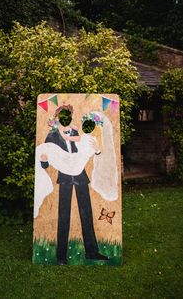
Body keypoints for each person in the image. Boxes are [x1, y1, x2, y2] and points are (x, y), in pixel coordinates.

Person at [40, 104, 109, 265]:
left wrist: (97, 149)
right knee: (63, 216)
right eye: (63, 116)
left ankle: (92, 252)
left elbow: (88, 149)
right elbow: (46, 162)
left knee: (86, 214)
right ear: (57, 118)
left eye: (69, 115)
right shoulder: (52, 136)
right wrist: (43, 161)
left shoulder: (78, 133)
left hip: (80, 178)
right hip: (64, 179)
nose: (66, 118)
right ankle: (61, 257)